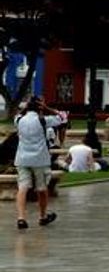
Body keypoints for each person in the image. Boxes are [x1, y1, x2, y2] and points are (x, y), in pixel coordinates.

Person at [14, 98, 55, 230]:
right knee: (42, 189)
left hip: (22, 158)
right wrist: (47, 108)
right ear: (39, 109)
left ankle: (21, 218)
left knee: (22, 187)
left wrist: (26, 108)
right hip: (40, 159)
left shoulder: (19, 120)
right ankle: (42, 216)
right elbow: (63, 117)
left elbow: (19, 114)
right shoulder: (43, 120)